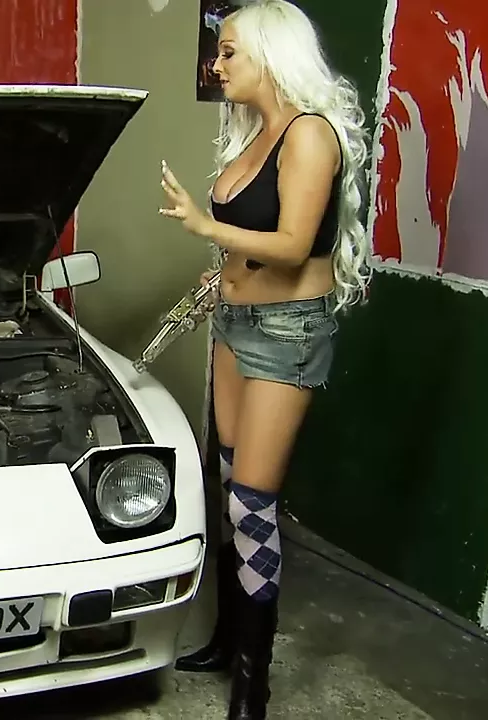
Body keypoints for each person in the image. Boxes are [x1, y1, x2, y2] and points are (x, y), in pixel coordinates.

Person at [155, 1, 370, 718]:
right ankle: (225, 640)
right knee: (228, 483)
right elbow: (250, 243)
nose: (216, 65)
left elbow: (294, 245)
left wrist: (202, 225)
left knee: (252, 501)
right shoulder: (254, 131)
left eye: (229, 52)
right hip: (235, 321)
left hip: (286, 332)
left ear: (272, 55)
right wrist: (221, 273)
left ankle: (253, 682)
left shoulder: (309, 133)